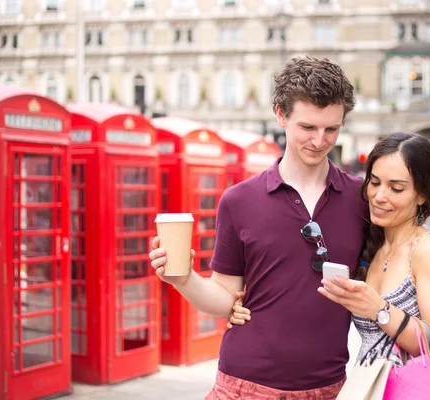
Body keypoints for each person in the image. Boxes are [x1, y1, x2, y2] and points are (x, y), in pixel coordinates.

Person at [149, 56, 368, 397]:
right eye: (307, 128)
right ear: (281, 114)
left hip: (329, 388)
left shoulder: (360, 198)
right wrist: (184, 278)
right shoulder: (239, 201)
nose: (320, 140)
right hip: (247, 385)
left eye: (332, 129)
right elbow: (225, 297)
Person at [230, 132, 430, 367]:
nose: (380, 196)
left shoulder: (428, 249)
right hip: (371, 386)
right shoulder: (372, 244)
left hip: (412, 388)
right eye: (375, 182)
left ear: (421, 195)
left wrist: (381, 310)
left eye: (396, 188)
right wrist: (245, 307)